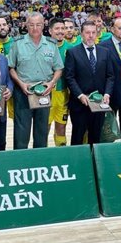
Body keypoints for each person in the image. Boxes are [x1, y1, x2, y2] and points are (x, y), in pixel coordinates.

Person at [7, 12, 63, 149]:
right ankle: (21, 161)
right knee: (21, 132)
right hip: (23, 92)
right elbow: (11, 68)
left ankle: (40, 160)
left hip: (44, 92)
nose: (35, 28)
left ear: (43, 25)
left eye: (38, 24)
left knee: (42, 131)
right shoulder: (17, 44)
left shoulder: (51, 44)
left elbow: (59, 68)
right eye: (31, 25)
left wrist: (51, 83)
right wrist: (20, 83)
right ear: (26, 25)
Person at [64, 21, 114, 145]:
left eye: (93, 32)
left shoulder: (105, 52)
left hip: (99, 102)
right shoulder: (72, 52)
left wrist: (107, 93)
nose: (91, 35)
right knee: (78, 137)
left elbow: (110, 76)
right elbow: (69, 77)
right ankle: (76, 162)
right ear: (81, 34)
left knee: (96, 137)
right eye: (87, 32)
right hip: (80, 104)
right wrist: (80, 95)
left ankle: (94, 162)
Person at [48, 18, 70, 147]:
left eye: (63, 28)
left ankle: (61, 155)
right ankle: (42, 155)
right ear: (50, 30)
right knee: (44, 128)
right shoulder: (42, 46)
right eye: (57, 29)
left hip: (63, 94)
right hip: (46, 94)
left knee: (61, 128)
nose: (61, 31)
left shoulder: (71, 48)